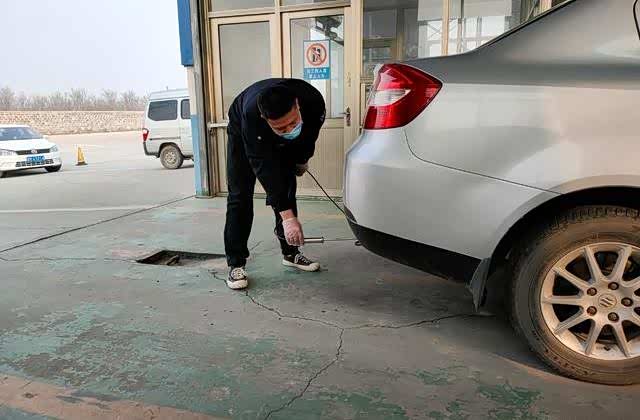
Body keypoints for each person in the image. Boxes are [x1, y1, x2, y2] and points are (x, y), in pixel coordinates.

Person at [224, 78, 326, 290]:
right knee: (239, 195)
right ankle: (236, 263)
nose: (289, 130)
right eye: (280, 128)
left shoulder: (313, 101)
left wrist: (302, 160)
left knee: (287, 186)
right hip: (241, 129)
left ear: (297, 104)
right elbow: (263, 167)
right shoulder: (252, 117)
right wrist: (288, 218)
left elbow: (309, 136)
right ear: (264, 118)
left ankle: (290, 253)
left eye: (292, 122)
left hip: (281, 122)